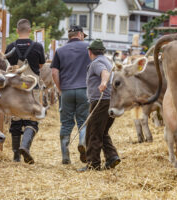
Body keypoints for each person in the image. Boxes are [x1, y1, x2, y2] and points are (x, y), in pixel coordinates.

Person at [5, 19, 45, 164]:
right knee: (32, 120)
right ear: (29, 31)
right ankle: (25, 146)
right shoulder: (37, 46)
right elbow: (41, 65)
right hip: (31, 88)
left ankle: (16, 156)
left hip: (15, 90)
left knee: (15, 120)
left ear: (17, 31)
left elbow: (7, 66)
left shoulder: (10, 46)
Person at [78, 39, 120, 172]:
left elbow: (104, 73)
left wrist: (103, 83)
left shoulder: (97, 62)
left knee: (93, 132)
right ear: (103, 51)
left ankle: (93, 164)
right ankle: (112, 157)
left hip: (100, 102)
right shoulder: (107, 61)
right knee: (102, 132)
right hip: (110, 101)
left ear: (90, 52)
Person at [51, 25, 91, 164]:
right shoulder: (88, 49)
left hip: (67, 90)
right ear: (80, 34)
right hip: (84, 89)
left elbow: (54, 72)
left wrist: (60, 88)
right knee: (83, 121)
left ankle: (65, 156)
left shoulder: (60, 50)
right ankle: (82, 142)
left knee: (66, 123)